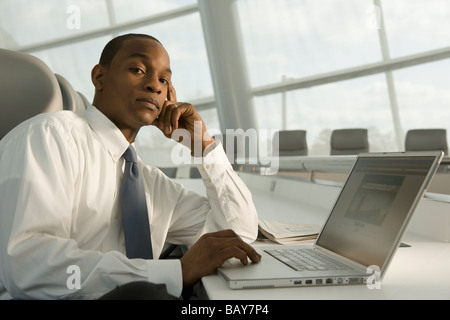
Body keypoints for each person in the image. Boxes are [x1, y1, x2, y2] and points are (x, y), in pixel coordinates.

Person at [0, 33, 261, 300]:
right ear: (99, 78)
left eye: (164, 80)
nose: (154, 86)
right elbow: (29, 265)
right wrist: (177, 272)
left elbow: (239, 232)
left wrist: (203, 147)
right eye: (138, 70)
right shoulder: (49, 138)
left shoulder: (149, 182)